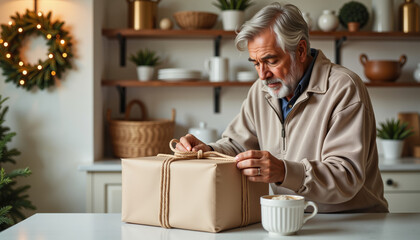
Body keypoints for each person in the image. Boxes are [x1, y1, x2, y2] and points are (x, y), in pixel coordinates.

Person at [176, 3, 388, 213]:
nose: (262, 75)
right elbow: (238, 146)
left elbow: (346, 176)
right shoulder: (260, 91)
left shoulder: (344, 87)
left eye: (271, 61)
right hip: (287, 219)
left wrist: (284, 171)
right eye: (256, 63)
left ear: (301, 50)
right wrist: (208, 151)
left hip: (353, 222)